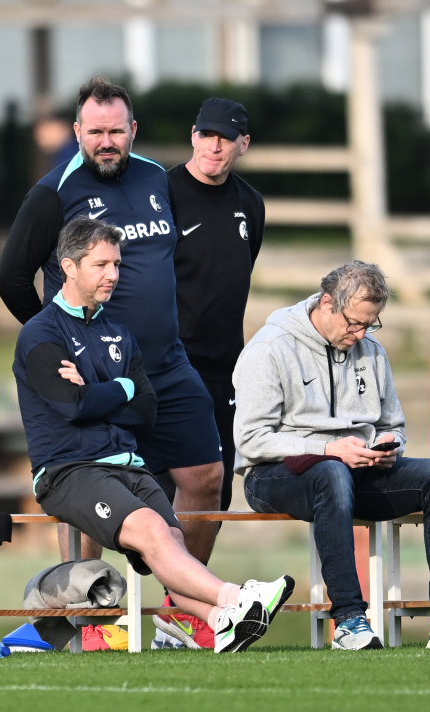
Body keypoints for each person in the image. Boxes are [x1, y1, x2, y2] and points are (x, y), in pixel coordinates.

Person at [12, 216, 293, 653]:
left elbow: (146, 409)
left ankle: (220, 623)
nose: (113, 275)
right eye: (101, 264)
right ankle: (239, 599)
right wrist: (117, 389)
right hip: (70, 471)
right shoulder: (41, 334)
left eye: (117, 265)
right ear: (69, 266)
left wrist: (103, 389)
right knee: (154, 533)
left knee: (173, 546)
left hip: (128, 465)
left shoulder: (120, 333)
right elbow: (72, 407)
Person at [0, 76, 223, 569]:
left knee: (205, 474)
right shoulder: (53, 193)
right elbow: (10, 278)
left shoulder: (156, 179)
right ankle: (88, 617)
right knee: (88, 485)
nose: (105, 142)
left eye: (116, 131)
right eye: (95, 131)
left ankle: (181, 613)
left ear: (133, 130)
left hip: (165, 364)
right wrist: (59, 343)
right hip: (93, 374)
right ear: (77, 131)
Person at [233, 261, 430, 650]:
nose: (360, 333)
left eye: (370, 324)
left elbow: (392, 423)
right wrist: (329, 449)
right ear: (327, 302)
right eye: (353, 323)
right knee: (332, 474)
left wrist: (387, 447)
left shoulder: (371, 351)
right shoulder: (269, 348)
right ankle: (348, 620)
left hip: (353, 471)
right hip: (274, 477)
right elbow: (252, 440)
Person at [151, 97, 264, 650]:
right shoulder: (163, 193)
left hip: (225, 372)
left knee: (213, 493)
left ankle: (184, 613)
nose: (215, 146)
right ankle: (93, 615)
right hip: (167, 365)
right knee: (150, 487)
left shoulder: (251, 204)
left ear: (243, 144)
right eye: (207, 134)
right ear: (193, 135)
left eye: (228, 137)